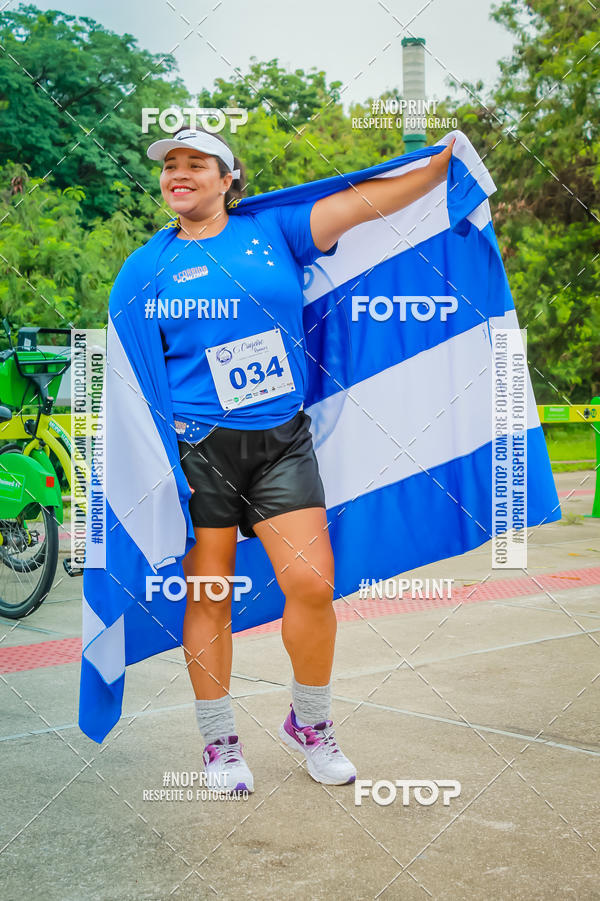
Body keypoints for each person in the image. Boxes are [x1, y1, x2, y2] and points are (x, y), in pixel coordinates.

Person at [145, 126, 454, 793]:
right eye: (171, 164)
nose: (180, 173)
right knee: (210, 593)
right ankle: (220, 740)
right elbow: (129, 371)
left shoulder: (275, 231)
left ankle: (309, 723)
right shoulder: (147, 266)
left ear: (229, 179)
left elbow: (368, 203)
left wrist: (436, 172)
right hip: (197, 448)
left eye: (197, 163)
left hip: (280, 439)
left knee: (313, 583)